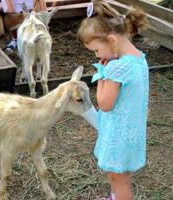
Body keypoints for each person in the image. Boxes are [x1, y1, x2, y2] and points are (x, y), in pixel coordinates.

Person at [77, 0, 150, 200]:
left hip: (118, 136)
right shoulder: (139, 59)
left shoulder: (117, 68)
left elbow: (105, 104)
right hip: (131, 133)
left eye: (96, 50)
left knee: (120, 180)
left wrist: (102, 74)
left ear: (112, 40)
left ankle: (118, 196)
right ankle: (114, 197)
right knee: (117, 176)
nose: (97, 55)